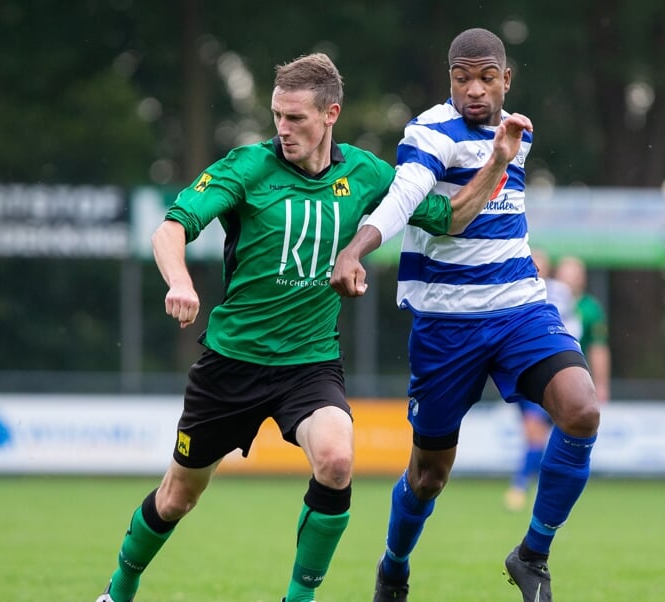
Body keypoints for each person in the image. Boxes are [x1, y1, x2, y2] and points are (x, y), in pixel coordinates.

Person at [95, 52, 527, 602]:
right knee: (178, 496)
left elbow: (447, 218)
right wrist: (179, 281)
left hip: (309, 364)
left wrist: (496, 163)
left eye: (296, 118)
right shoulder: (248, 167)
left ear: (331, 114)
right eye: (277, 115)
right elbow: (171, 229)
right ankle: (120, 587)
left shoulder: (365, 174)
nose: (283, 129)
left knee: (337, 458)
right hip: (231, 363)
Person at [329, 28, 599, 602]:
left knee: (580, 410)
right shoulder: (430, 133)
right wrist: (356, 248)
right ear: (448, 79)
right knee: (428, 476)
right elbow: (405, 195)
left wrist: (504, 152)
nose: (473, 90)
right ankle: (394, 566)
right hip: (446, 326)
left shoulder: (517, 134)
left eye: (485, 77)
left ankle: (533, 554)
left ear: (507, 79)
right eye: (461, 78)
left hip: (520, 309)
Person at [503, 250, 580, 512]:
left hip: (546, 368)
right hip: (520, 369)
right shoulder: (511, 289)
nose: (536, 267)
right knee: (534, 433)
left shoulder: (557, 293)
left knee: (536, 432)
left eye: (540, 264)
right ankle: (530, 485)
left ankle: (521, 485)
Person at [555, 255, 611, 403]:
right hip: (547, 377)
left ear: (582, 279)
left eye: (574, 276)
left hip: (578, 380)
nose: (568, 281)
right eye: (564, 276)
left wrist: (601, 385)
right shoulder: (546, 304)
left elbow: (598, 348)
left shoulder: (591, 309)